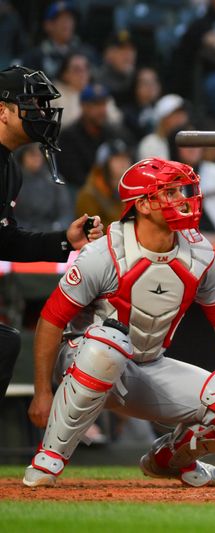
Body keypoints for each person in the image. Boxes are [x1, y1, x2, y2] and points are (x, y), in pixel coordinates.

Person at [21, 157, 215, 487]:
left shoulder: (199, 252)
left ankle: (169, 460)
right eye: (170, 193)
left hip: (145, 366)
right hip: (82, 359)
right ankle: (49, 460)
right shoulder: (106, 251)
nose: (184, 199)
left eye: (183, 191)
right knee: (110, 343)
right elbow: (51, 319)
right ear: (143, 204)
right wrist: (42, 391)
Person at [0, 65, 103, 404]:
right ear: (3, 110)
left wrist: (64, 240)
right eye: (31, 104)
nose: (42, 114)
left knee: (5, 344)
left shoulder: (10, 168)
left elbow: (5, 239)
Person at [74, 139, 132, 227]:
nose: (123, 162)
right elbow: (92, 230)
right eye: (117, 158)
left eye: (125, 157)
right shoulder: (88, 195)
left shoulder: (131, 189)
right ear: (104, 164)